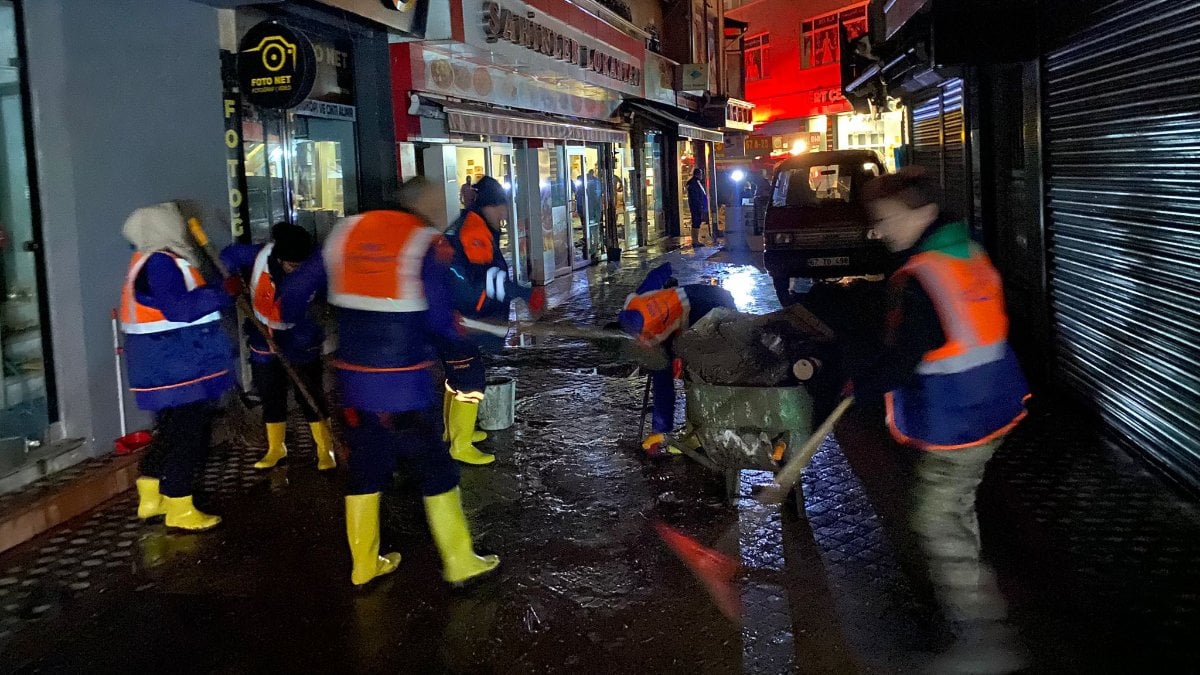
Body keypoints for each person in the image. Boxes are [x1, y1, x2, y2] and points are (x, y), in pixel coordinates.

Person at [853, 166, 1029, 669]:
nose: (879, 230)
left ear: (924, 212)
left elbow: (904, 355)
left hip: (960, 418)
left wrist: (857, 385)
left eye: (887, 219)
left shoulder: (924, 276)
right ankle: (975, 617)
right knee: (956, 511)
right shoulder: (967, 253)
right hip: (992, 405)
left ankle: (985, 641)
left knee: (936, 519)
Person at [279, 191, 499, 588]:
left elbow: (292, 294)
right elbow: (438, 319)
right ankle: (460, 561)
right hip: (406, 387)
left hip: (355, 387)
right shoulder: (422, 241)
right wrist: (457, 328)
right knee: (435, 468)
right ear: (419, 207)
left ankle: (364, 564)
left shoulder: (343, 234)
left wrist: (301, 328)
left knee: (366, 469)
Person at [121, 202, 236, 531]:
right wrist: (221, 294)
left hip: (163, 365)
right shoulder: (161, 263)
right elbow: (180, 309)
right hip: (176, 365)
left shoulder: (148, 260)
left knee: (171, 432)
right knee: (189, 435)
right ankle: (179, 505)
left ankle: (151, 496)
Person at [442, 176, 545, 465]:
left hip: (454, 316)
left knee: (457, 377)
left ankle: (453, 431)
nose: (504, 215)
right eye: (501, 208)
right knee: (470, 380)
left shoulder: (471, 224)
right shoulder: (474, 230)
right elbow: (487, 280)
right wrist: (525, 293)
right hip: (461, 319)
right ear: (489, 206)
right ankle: (460, 444)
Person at [220, 222, 335, 472]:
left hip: (302, 338)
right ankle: (276, 448)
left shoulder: (317, 268)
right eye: (292, 266)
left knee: (309, 394)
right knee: (271, 395)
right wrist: (229, 280)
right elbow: (227, 256)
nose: (297, 271)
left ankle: (325, 449)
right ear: (280, 258)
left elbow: (325, 302)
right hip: (263, 336)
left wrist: (312, 325)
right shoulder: (259, 256)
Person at [617, 263, 735, 456]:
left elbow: (663, 388)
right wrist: (669, 269)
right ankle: (701, 431)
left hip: (708, 311)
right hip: (711, 294)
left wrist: (659, 430)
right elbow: (656, 275)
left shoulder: (656, 340)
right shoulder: (634, 302)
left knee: (702, 371)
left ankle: (700, 436)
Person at [686, 168, 709, 248]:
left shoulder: (695, 182)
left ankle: (695, 240)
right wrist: (700, 205)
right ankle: (695, 241)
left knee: (697, 222)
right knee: (696, 222)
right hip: (696, 206)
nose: (702, 176)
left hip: (697, 206)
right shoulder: (694, 183)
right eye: (701, 174)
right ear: (698, 174)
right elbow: (695, 196)